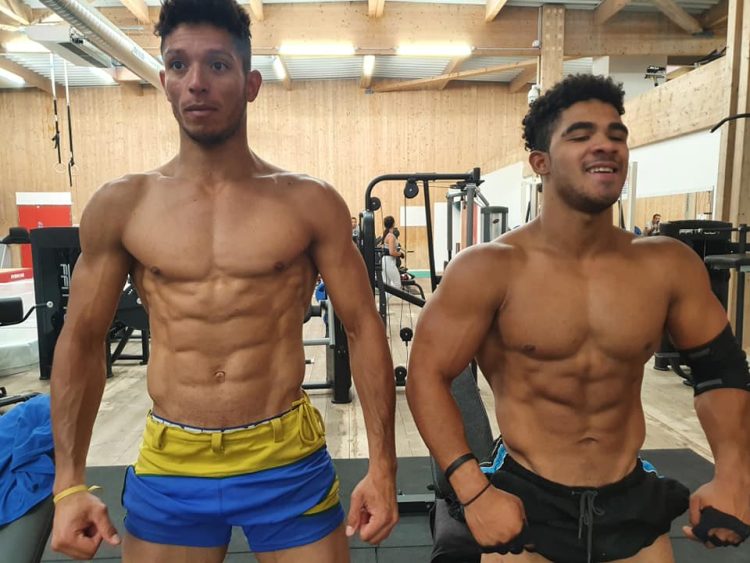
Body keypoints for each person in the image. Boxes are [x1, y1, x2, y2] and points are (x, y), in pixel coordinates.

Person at [49, 1, 398, 561]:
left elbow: (361, 326)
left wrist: (383, 467)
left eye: (216, 65)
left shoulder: (308, 202)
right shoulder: (123, 205)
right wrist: (68, 484)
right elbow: (82, 340)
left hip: (286, 457)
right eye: (178, 65)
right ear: (164, 81)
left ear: (250, 83)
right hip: (173, 459)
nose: (196, 82)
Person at [406, 74, 750, 563]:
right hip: (527, 503)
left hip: (628, 500)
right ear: (540, 162)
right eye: (581, 134)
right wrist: (474, 490)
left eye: (616, 134)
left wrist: (735, 475)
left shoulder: (668, 265)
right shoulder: (488, 269)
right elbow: (426, 374)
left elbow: (721, 372)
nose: (605, 145)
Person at [381, 216, 403, 293]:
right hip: (389, 262)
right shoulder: (391, 236)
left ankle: (382, 301)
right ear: (393, 224)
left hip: (386, 261)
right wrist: (400, 254)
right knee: (397, 285)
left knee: (387, 286)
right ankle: (381, 301)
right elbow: (392, 252)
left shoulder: (387, 235)